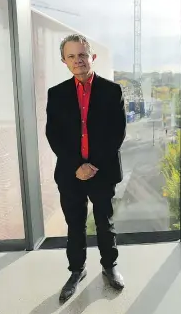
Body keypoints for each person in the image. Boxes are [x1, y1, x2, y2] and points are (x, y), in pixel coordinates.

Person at [46, 34, 127, 303]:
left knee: (105, 222)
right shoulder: (55, 94)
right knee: (75, 224)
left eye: (82, 55)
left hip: (102, 171)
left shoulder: (112, 91)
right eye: (71, 56)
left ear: (92, 57)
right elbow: (53, 135)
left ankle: (109, 266)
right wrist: (77, 166)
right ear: (64, 61)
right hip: (71, 173)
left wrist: (92, 166)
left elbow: (117, 134)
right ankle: (76, 271)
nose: (78, 60)